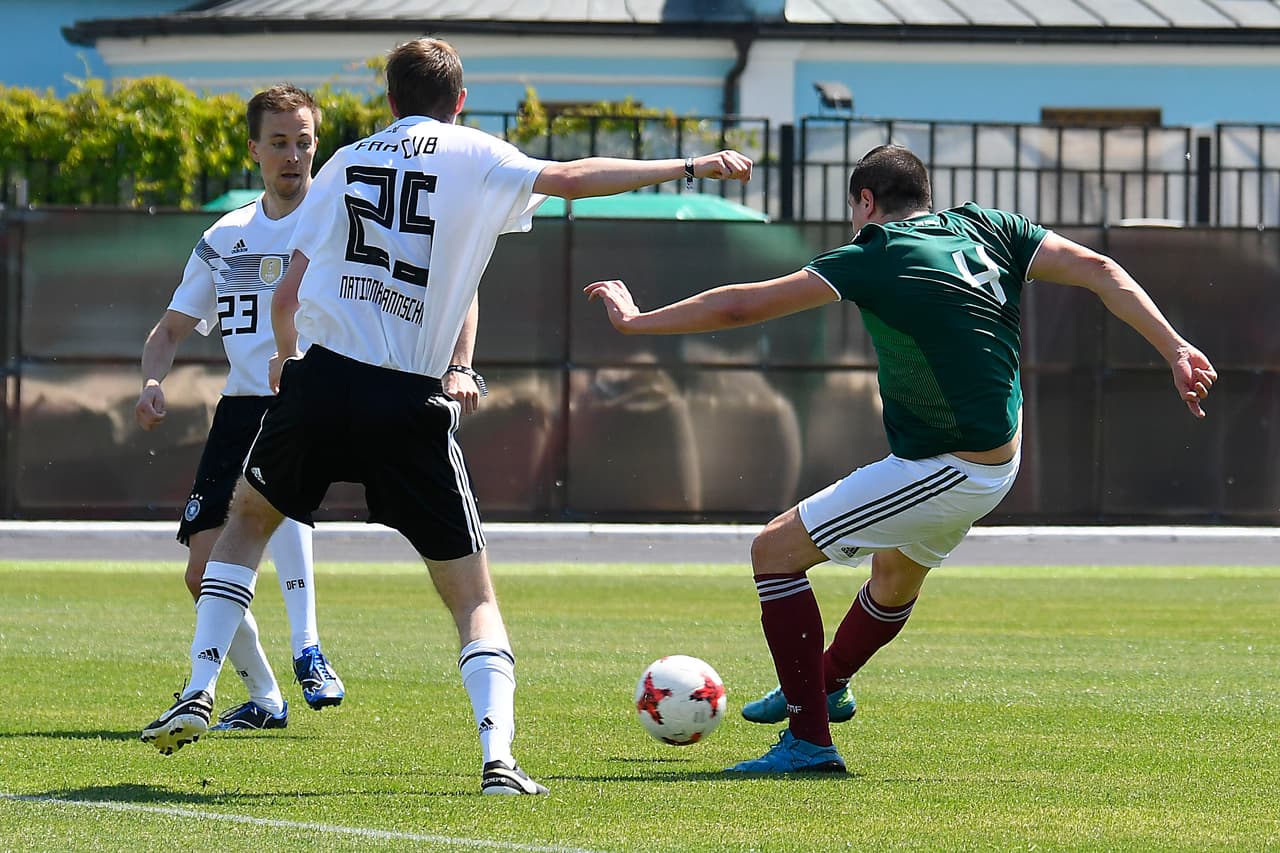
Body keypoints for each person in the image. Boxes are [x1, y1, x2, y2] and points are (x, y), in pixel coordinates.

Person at [140, 37, 752, 796]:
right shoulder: (476, 155)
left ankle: (200, 686)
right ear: (459, 101)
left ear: (390, 101)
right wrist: (688, 165)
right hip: (406, 398)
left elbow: (289, 294)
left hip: (321, 383)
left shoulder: (345, 161)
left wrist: (287, 361)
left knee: (245, 521)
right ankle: (498, 759)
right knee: (473, 598)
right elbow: (571, 178)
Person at [585, 143, 1216, 774]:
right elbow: (1100, 268)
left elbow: (740, 306)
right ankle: (827, 682)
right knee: (892, 579)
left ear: (866, 201)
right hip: (997, 459)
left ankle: (809, 743)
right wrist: (1176, 347)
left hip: (950, 469)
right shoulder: (987, 226)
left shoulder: (877, 253)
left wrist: (637, 322)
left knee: (774, 552)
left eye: (853, 209)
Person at [135, 84, 347, 733]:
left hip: (306, 401)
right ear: (254, 149)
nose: (293, 155)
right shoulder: (226, 236)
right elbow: (169, 330)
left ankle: (308, 646)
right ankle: (264, 697)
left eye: (304, 142)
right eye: (279, 142)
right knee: (201, 573)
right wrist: (152, 381)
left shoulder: (338, 223)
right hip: (239, 411)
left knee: (280, 503)